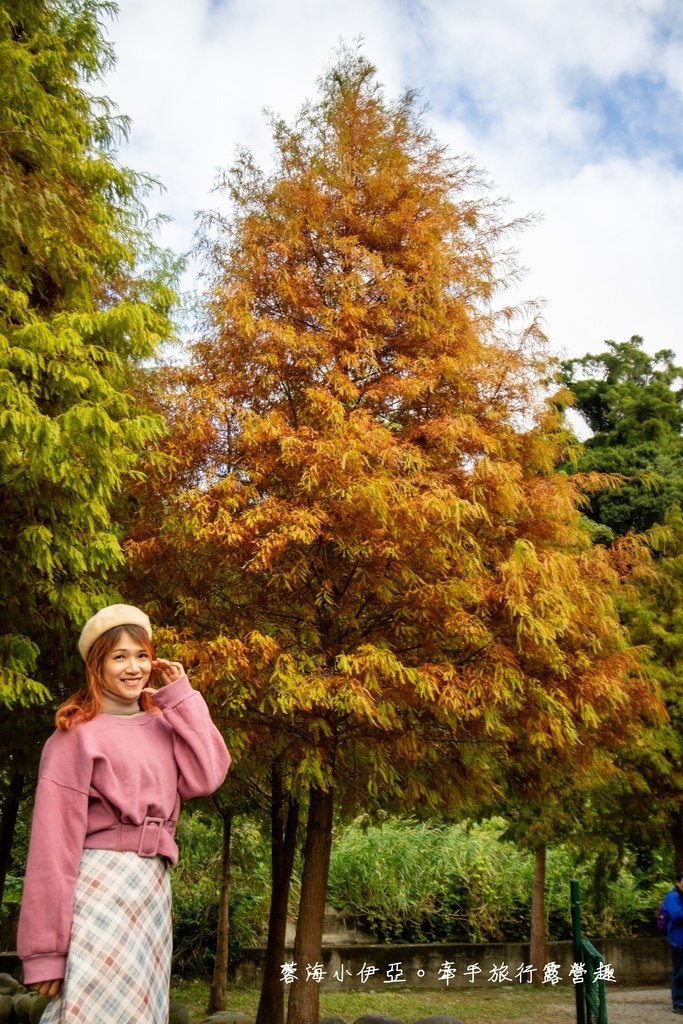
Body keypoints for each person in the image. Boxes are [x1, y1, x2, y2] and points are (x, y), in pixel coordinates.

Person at [17, 604, 231, 1023]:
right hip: (99, 890)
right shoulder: (74, 737)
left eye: (141, 655)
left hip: (152, 889)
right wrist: (46, 952)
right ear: (97, 666)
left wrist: (181, 696)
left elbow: (208, 775)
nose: (134, 668)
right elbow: (51, 848)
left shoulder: (164, 725)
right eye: (119, 657)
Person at [662, 872, 683, 1014]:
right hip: (679, 941)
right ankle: (679, 1002)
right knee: (680, 972)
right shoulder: (671, 897)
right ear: (678, 882)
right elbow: (677, 916)